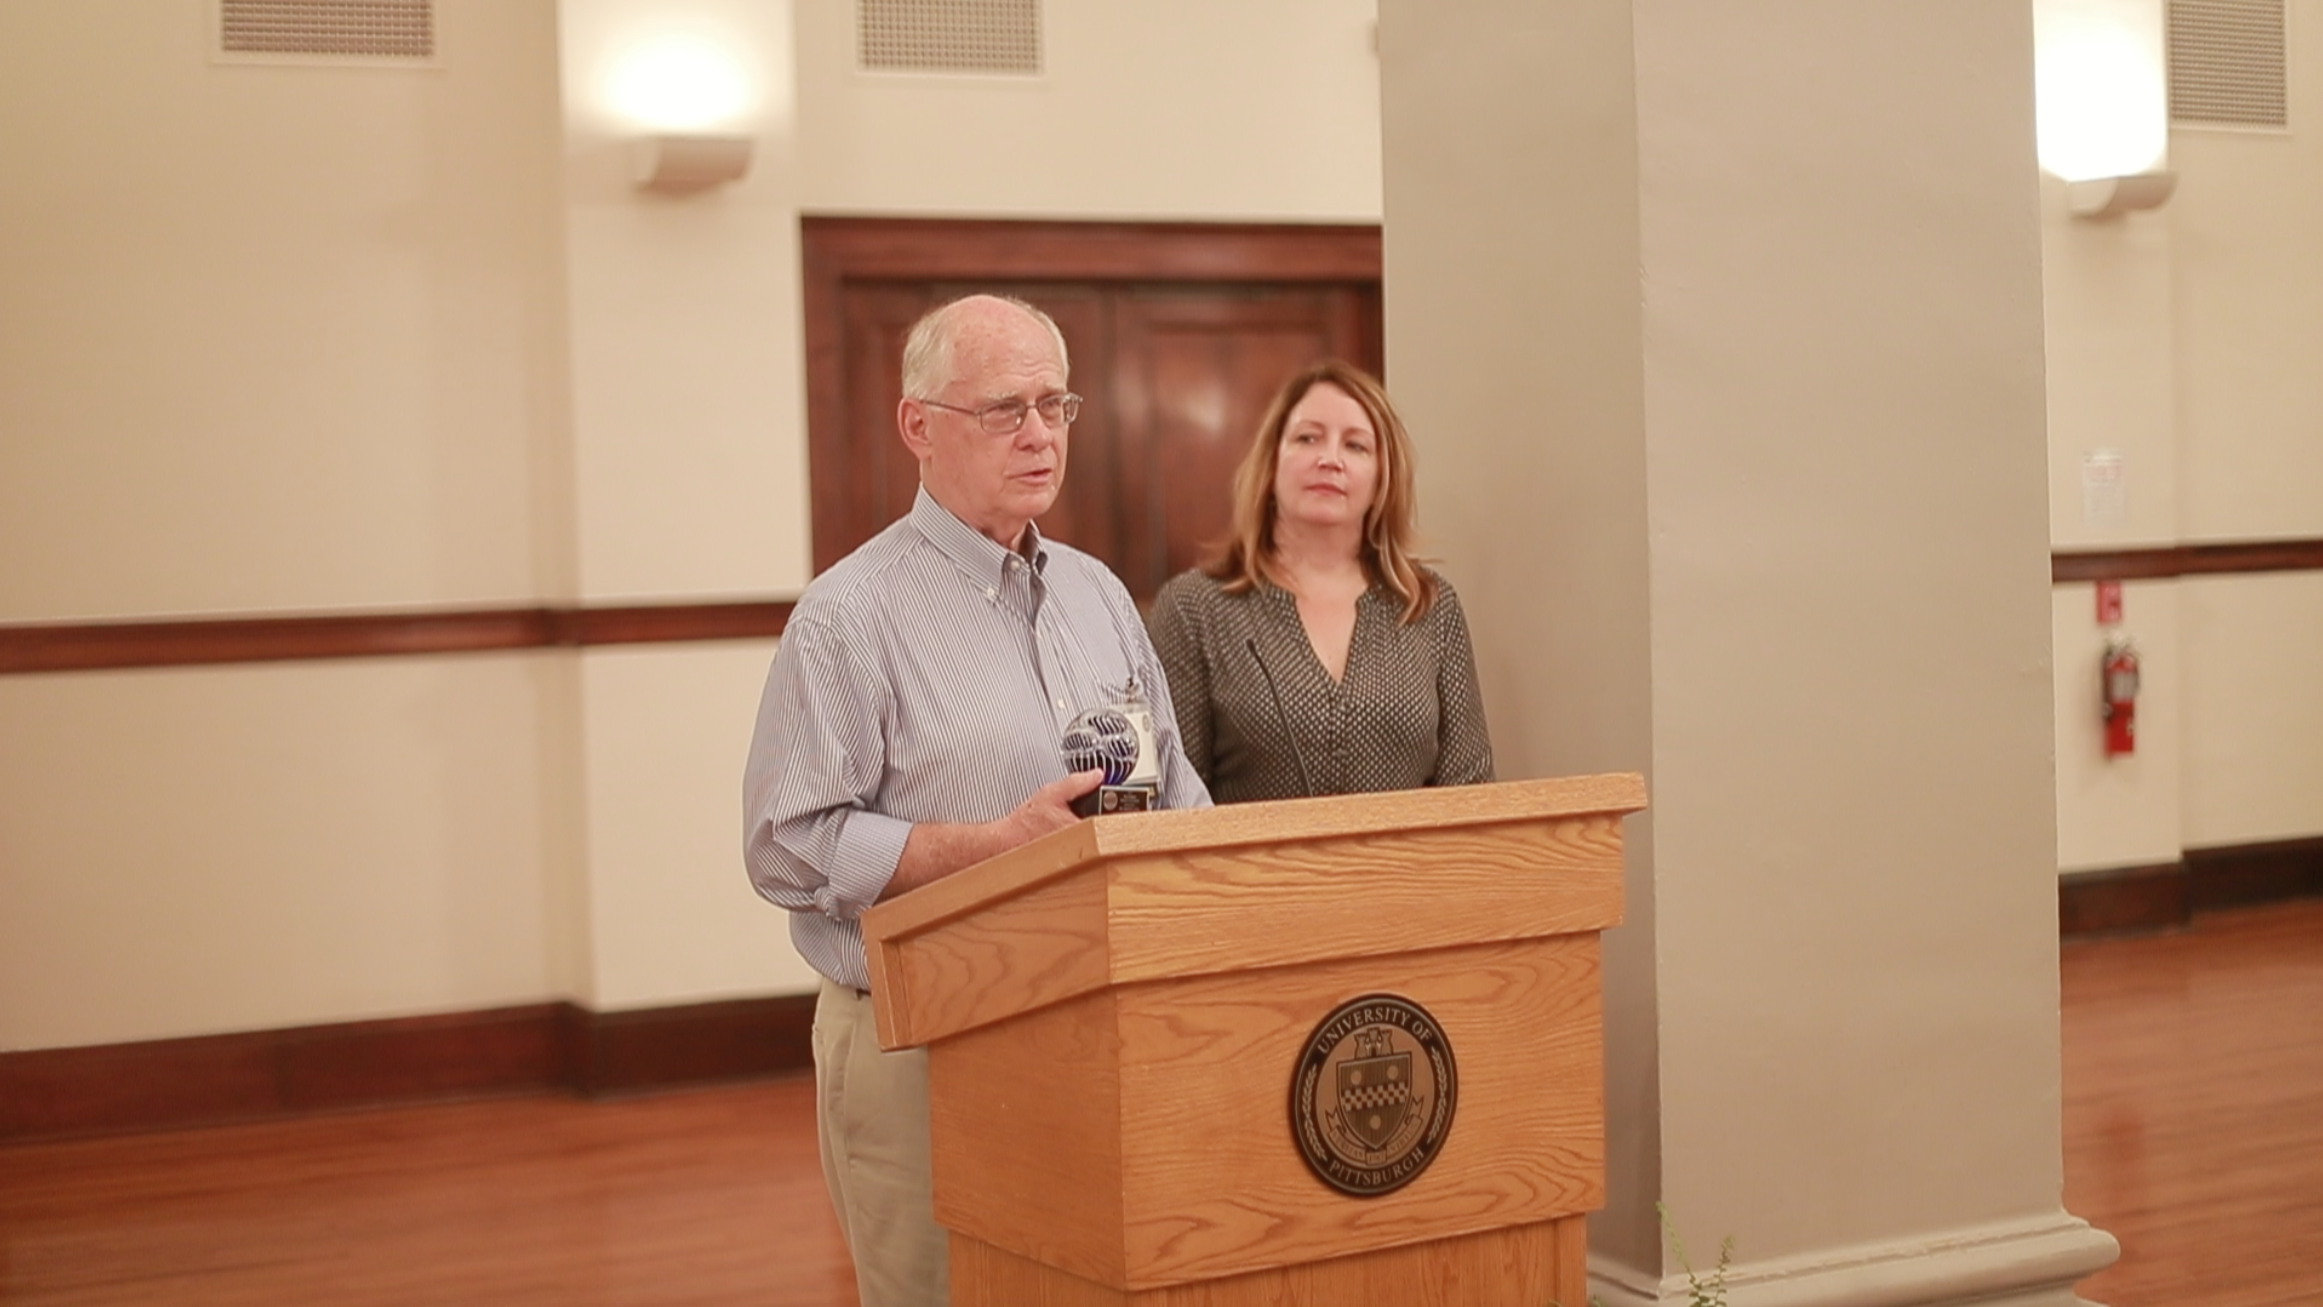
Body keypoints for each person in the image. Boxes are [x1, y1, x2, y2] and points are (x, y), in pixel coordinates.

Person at [742, 294, 1210, 1307]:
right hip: (921, 1040)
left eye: (1054, 404)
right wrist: (989, 847)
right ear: (920, 426)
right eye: (1005, 408)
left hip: (1097, 1024)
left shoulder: (1097, 595)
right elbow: (788, 845)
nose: (1039, 434)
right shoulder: (847, 615)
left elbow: (1175, 788)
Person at [1146, 358, 1493, 803]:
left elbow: (1473, 792)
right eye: (1308, 438)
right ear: (1271, 464)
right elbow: (1170, 805)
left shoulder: (1429, 606)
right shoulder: (1194, 609)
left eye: (1356, 446)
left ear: (1382, 479)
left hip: (1408, 873)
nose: (1330, 460)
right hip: (1250, 874)